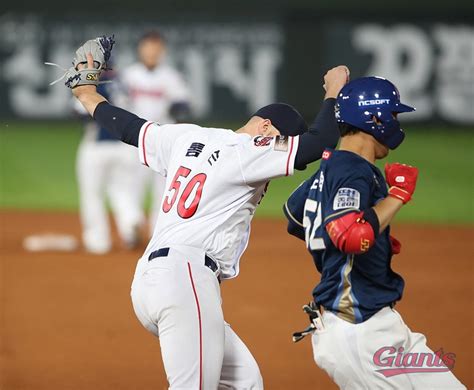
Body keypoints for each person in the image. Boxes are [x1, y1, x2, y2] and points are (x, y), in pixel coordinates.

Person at [67, 37, 347, 389]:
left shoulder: (185, 137)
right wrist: (334, 92)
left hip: (152, 282)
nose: (282, 148)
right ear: (264, 128)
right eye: (281, 138)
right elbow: (318, 144)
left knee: (245, 381)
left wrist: (87, 95)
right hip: (185, 278)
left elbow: (128, 126)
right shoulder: (251, 149)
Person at [284, 76, 465, 389]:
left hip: (379, 324)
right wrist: (397, 196)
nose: (396, 123)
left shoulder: (330, 168)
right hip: (357, 328)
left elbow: (295, 215)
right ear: (375, 118)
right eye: (393, 115)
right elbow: (349, 236)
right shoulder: (352, 169)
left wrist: (376, 236)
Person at [118, 30, 191, 231]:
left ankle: (156, 233)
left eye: (156, 47)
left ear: (162, 50)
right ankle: (130, 229)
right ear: (140, 49)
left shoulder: (171, 76)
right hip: (135, 138)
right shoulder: (128, 75)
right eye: (148, 47)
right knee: (131, 186)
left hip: (162, 140)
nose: (152, 51)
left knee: (164, 189)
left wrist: (179, 108)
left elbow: (183, 104)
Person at [75, 68, 144, 254]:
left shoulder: (89, 84)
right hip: (125, 147)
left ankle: (97, 241)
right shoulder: (123, 84)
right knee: (123, 191)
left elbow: (79, 113)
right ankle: (131, 223)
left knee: (92, 194)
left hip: (96, 146)